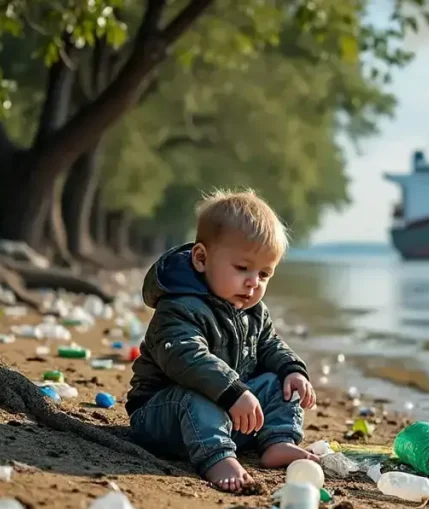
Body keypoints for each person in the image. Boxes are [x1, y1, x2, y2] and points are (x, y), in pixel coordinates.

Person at [126, 188, 318, 492]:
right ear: (202, 259)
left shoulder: (253, 311)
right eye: (242, 268)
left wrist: (292, 369)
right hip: (164, 414)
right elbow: (185, 358)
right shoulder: (179, 306)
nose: (253, 282)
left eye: (264, 274)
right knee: (196, 395)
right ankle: (217, 458)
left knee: (278, 382)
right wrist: (232, 391)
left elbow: (269, 344)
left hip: (230, 413)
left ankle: (277, 441)